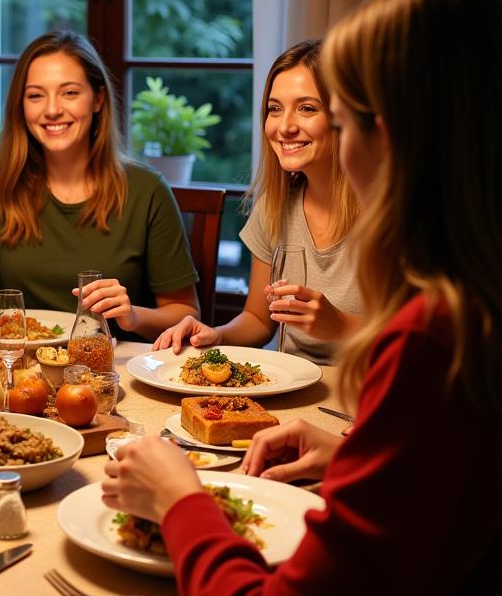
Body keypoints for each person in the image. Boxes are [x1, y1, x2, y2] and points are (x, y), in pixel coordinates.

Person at [103, 0, 502, 596]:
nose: (320, 137)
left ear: (398, 137)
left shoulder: (439, 341)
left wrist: (180, 497)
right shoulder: (490, 308)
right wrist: (361, 456)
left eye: (345, 118)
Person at [0, 31, 199, 341]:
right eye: (35, 95)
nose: (51, 110)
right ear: (21, 106)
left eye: (70, 93)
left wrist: (132, 316)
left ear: (98, 99)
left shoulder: (147, 190)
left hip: (102, 371)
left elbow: (185, 314)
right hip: (11, 369)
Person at [153, 39, 360, 363]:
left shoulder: (394, 211)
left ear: (344, 115)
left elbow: (436, 338)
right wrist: (216, 333)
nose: (284, 126)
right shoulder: (274, 205)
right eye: (274, 109)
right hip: (294, 385)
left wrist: (343, 326)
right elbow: (259, 321)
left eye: (307, 108)